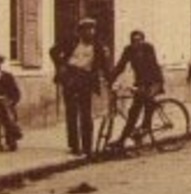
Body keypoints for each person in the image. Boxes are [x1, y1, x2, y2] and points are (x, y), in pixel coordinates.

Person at [52, 18, 106, 156]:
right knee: (71, 113)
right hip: (70, 78)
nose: (90, 32)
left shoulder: (98, 46)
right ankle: (74, 146)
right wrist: (61, 66)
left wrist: (111, 81)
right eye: (86, 30)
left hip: (86, 80)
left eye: (92, 29)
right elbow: (53, 51)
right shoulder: (70, 42)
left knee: (86, 114)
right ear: (80, 32)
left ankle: (88, 147)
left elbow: (104, 66)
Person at [108, 29, 164, 151]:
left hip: (154, 80)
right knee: (134, 111)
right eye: (134, 41)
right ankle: (125, 138)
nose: (136, 43)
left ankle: (143, 130)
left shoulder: (148, 48)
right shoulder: (128, 50)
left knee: (145, 103)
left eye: (139, 40)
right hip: (140, 82)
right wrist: (111, 78)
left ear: (143, 40)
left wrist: (142, 87)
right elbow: (121, 65)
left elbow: (152, 66)